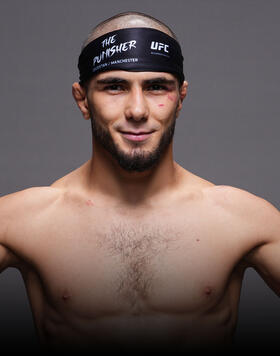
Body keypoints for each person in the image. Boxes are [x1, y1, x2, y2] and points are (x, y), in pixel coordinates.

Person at [0, 10, 279, 354]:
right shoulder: (20, 221)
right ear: (83, 99)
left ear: (180, 99)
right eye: (114, 87)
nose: (137, 109)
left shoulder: (245, 219)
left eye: (157, 86)